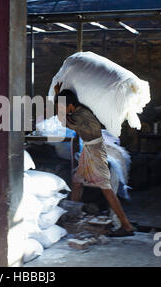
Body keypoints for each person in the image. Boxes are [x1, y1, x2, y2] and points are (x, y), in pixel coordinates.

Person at [54, 82, 136, 236]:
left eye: (63, 107)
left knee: (107, 190)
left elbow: (63, 121)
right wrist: (59, 94)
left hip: (95, 155)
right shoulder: (80, 112)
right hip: (89, 152)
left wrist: (58, 96)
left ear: (70, 105)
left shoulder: (81, 116)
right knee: (77, 182)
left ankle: (126, 225)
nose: (62, 110)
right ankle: (74, 216)